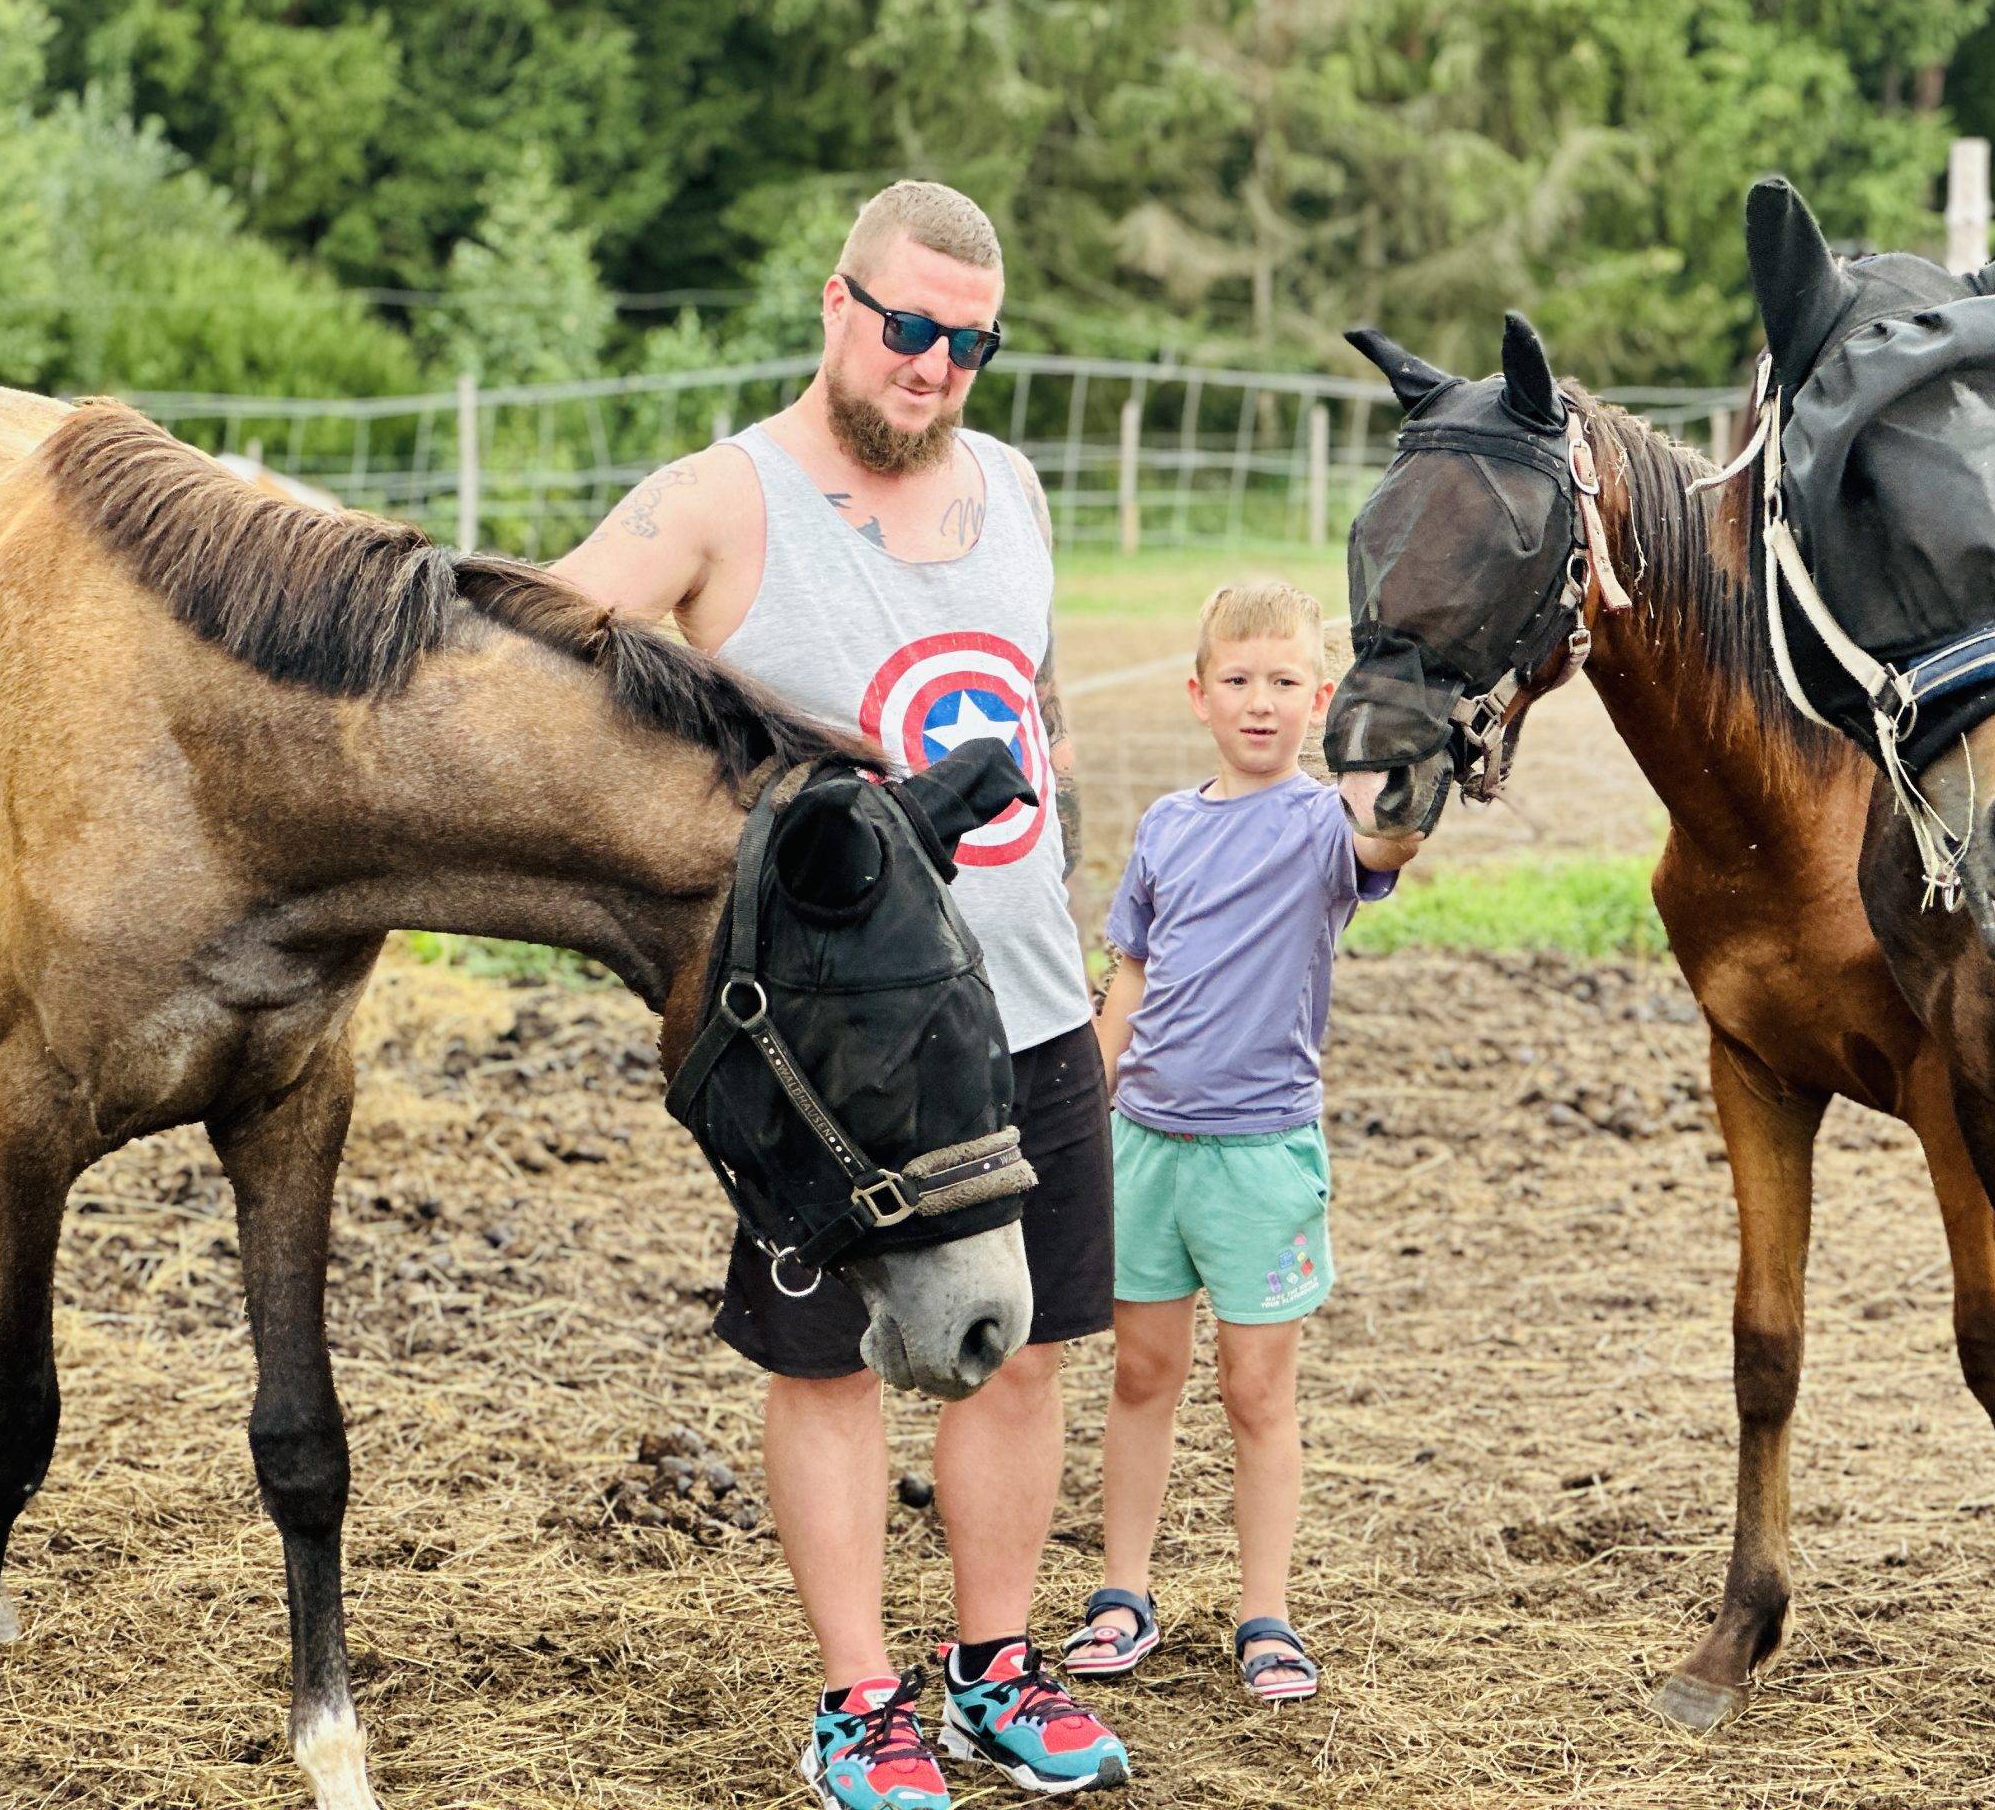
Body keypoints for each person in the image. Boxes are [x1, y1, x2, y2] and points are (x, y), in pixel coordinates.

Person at [552, 180, 1128, 1806]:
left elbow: (1032, 685)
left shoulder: (1012, 482)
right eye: (911, 327)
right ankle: (859, 1703)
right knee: (829, 1363)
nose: (936, 363)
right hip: (837, 1053)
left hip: (1020, 1007)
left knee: (1021, 1346)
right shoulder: (722, 501)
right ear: (838, 306)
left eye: (971, 341)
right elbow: (547, 641)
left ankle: (993, 1673)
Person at [1066, 581, 1419, 1705]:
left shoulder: (1326, 826)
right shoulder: (1167, 827)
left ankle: (1264, 1611)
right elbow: (1128, 980)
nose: (1259, 703)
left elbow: (1391, 835)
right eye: (1237, 682)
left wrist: (1396, 754)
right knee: (1139, 1372)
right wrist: (1083, 1110)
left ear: (1316, 698)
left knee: (1257, 1392)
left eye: (1283, 684)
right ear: (1198, 694)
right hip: (1147, 1147)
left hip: (1261, 1156)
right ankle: (1122, 1592)